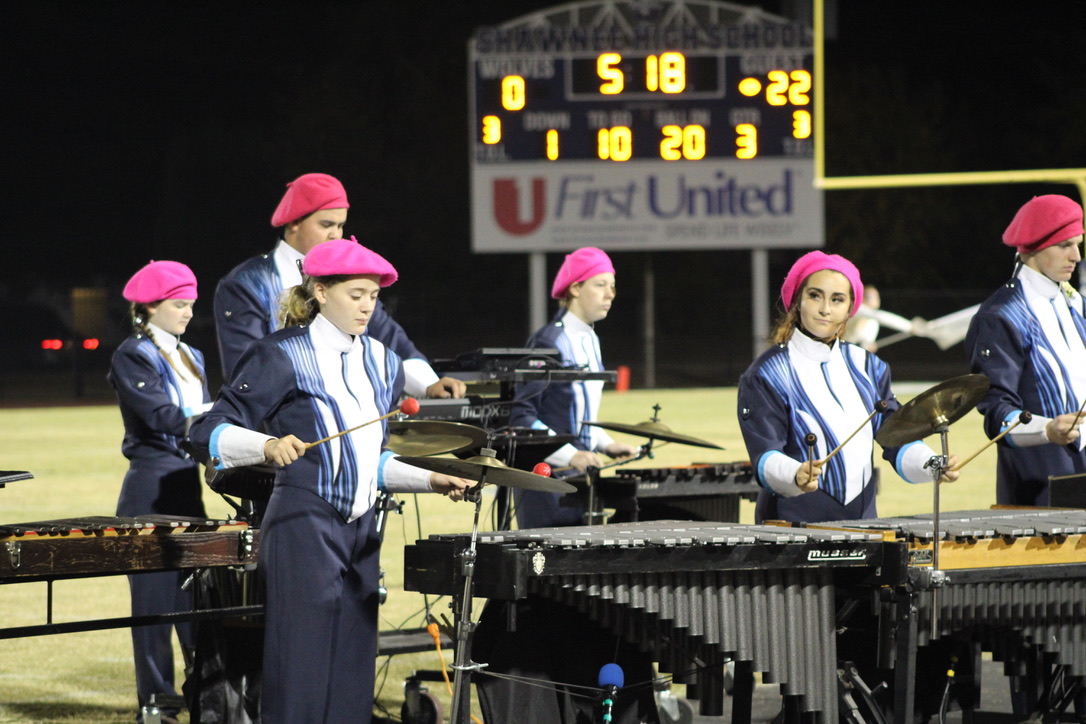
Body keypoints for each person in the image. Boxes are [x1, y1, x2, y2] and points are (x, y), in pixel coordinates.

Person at [189, 238, 470, 723]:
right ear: (320, 291)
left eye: (373, 296)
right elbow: (205, 430)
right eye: (355, 294)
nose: (367, 306)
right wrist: (265, 446)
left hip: (364, 530)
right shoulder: (282, 353)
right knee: (299, 667)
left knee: (353, 671)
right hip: (303, 522)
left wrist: (431, 479)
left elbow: (368, 460)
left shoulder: (384, 362)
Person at [737, 251, 959, 524]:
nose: (825, 309)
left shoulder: (869, 367)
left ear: (851, 308)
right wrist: (795, 474)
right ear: (797, 300)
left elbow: (895, 437)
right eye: (815, 296)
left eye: (837, 299)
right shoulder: (767, 374)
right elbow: (765, 453)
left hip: (863, 523)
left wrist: (932, 464)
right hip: (790, 524)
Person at [214, 172, 465, 399]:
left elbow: (393, 342)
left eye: (340, 225)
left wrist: (429, 384)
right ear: (294, 223)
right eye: (326, 225)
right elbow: (245, 370)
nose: (335, 235)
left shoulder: (349, 277)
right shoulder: (244, 284)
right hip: (282, 432)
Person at [108, 260, 212, 724]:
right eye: (179, 304)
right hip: (150, 489)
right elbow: (161, 416)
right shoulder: (133, 354)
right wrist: (218, 424)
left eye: (191, 303)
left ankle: (207, 699)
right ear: (148, 307)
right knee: (153, 609)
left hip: (188, 486)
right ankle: (157, 705)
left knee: (196, 603)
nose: (189, 312)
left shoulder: (194, 355)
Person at [965, 194, 1086, 507]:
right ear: (1034, 247)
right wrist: (1046, 429)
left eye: (1078, 243)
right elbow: (996, 413)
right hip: (1040, 484)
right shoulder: (1000, 315)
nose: (1076, 255)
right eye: (1064, 245)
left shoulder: (1073, 302)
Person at [508, 246, 638, 529]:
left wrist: (607, 444)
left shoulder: (591, 339)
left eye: (613, 286)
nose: (610, 294)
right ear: (575, 288)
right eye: (600, 285)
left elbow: (576, 414)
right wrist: (571, 455)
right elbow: (522, 417)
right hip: (546, 480)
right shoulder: (548, 341)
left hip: (581, 477)